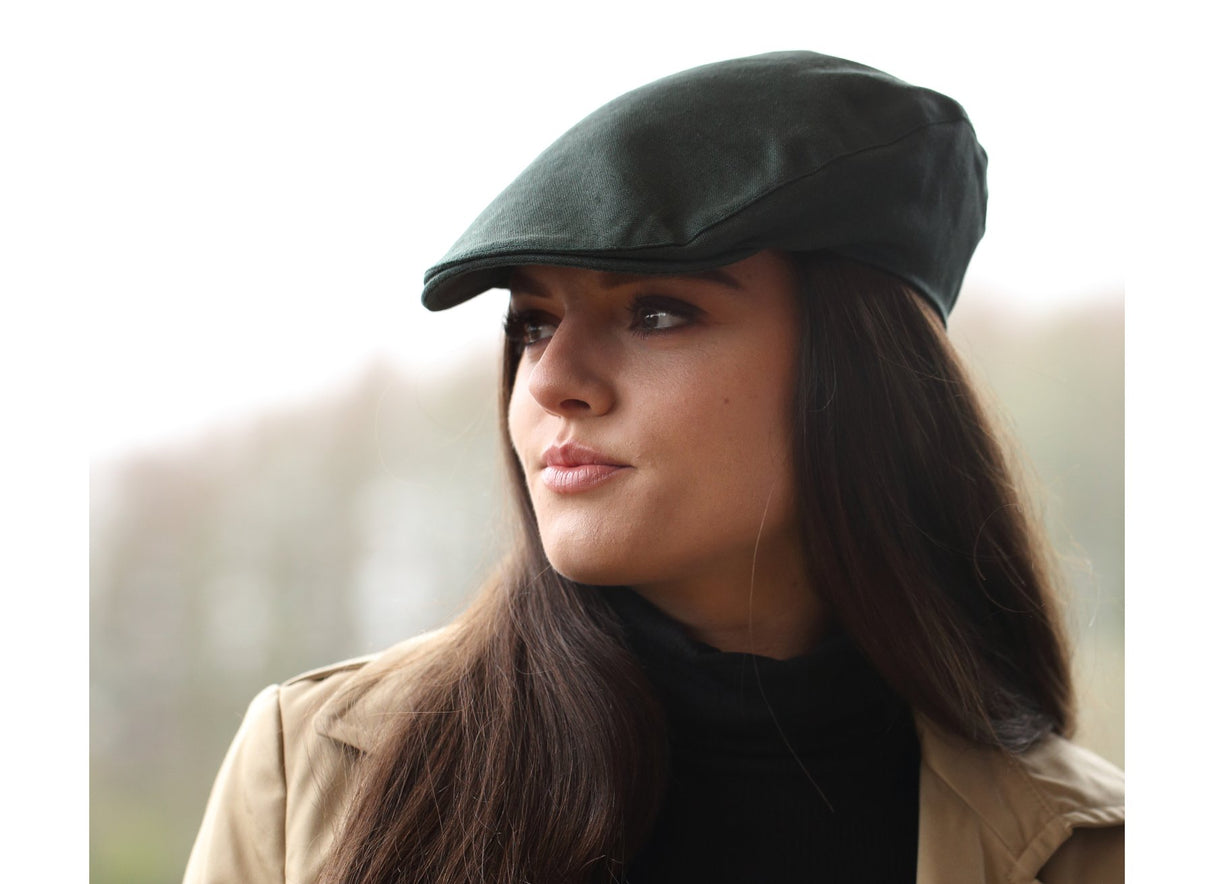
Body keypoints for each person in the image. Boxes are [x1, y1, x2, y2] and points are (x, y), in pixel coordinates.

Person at [184, 51, 1124, 884]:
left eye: (657, 313)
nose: (553, 380)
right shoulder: (312, 771)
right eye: (532, 323)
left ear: (864, 375)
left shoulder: (1102, 853)